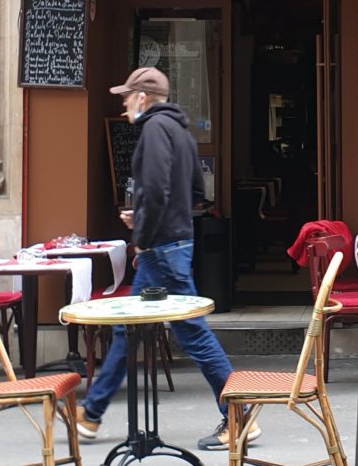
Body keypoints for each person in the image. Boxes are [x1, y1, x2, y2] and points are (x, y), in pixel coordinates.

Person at [76, 67, 254, 451]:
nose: (123, 103)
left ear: (142, 97)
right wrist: (145, 217)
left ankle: (239, 413)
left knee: (193, 333)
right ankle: (91, 414)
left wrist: (140, 233)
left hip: (160, 247)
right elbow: (193, 192)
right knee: (127, 331)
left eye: (127, 96)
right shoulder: (183, 133)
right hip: (173, 243)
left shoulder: (154, 131)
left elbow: (155, 190)